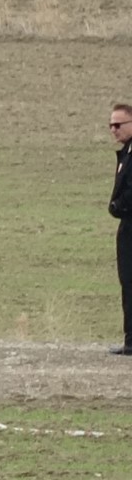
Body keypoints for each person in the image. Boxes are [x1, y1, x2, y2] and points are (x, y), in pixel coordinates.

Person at [107, 104, 132, 355]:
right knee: (128, 282)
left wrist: (118, 205)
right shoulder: (126, 153)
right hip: (127, 226)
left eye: (118, 125)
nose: (113, 130)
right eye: (111, 125)